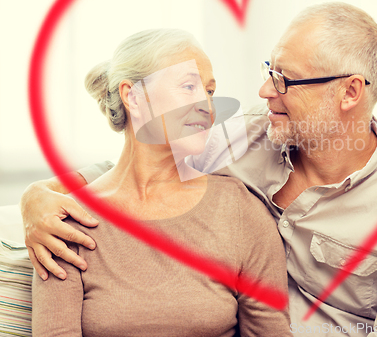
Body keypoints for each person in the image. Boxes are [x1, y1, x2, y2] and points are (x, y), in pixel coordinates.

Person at [22, 3, 377, 336]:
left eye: (285, 79)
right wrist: (39, 196)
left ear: (349, 92)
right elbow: (148, 163)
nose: (264, 90)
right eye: (270, 69)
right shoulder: (257, 133)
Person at [29, 29, 291, 336]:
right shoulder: (65, 222)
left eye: (209, 91)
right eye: (189, 86)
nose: (208, 107)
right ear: (133, 97)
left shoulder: (240, 211)